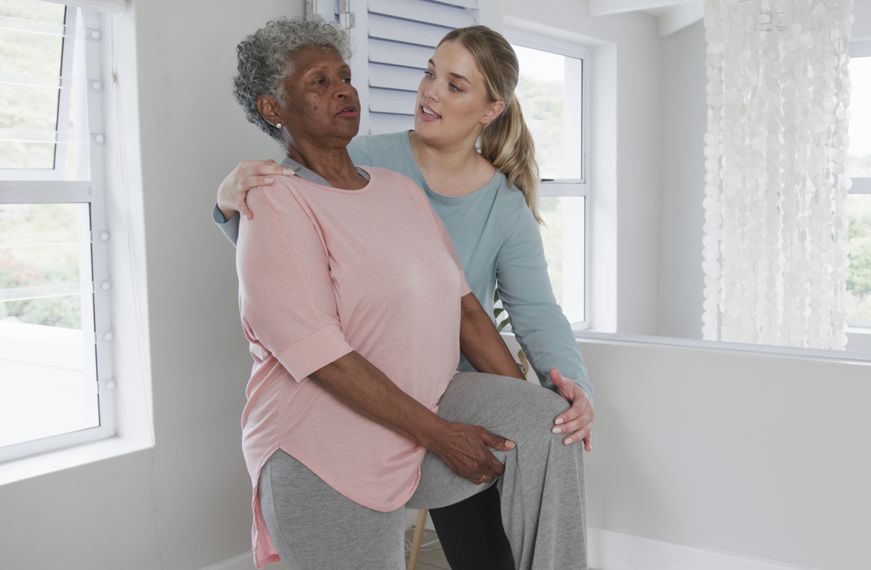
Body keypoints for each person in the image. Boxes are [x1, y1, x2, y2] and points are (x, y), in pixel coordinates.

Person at [214, 23, 595, 568]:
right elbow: (305, 326)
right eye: (320, 83)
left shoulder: (401, 190)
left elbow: (484, 308)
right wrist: (228, 202)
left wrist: (546, 402)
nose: (344, 91)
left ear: (490, 109)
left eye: (344, 77)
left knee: (548, 427)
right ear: (273, 107)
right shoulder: (279, 192)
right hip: (329, 431)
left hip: (441, 391)